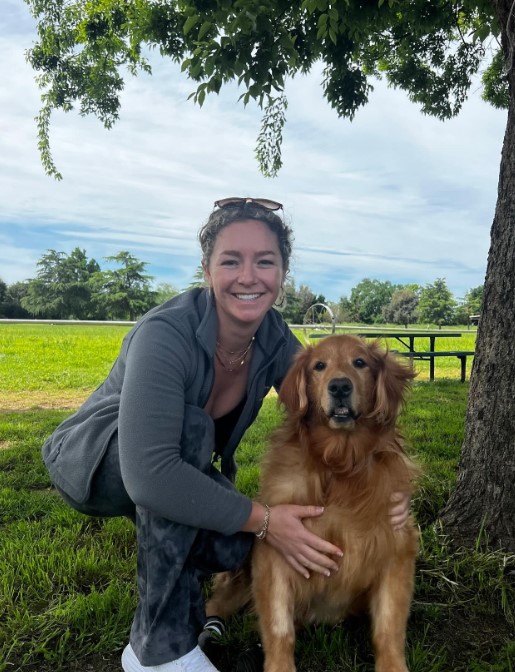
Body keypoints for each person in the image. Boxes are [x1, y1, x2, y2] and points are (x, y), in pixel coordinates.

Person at [41, 197, 410, 672]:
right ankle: (157, 651)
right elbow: (151, 475)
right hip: (97, 460)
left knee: (238, 548)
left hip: (170, 466)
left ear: (282, 273)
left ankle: (198, 615)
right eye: (231, 260)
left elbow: (323, 403)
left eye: (265, 261)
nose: (248, 276)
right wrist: (263, 518)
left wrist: (388, 483)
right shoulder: (165, 333)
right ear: (207, 269)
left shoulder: (274, 336)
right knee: (191, 444)